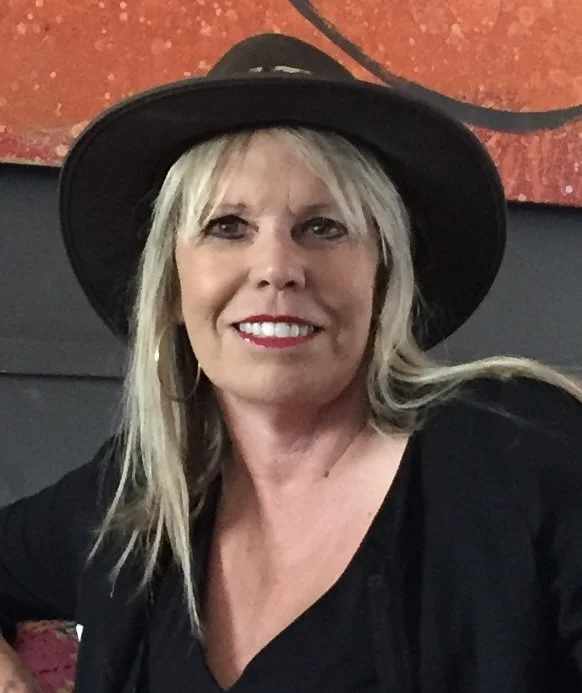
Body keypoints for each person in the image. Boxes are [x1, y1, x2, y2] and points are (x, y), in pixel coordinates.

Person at [1, 32, 581, 693]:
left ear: (383, 276)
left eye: (324, 227)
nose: (277, 267)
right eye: (227, 227)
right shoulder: (132, 495)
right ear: (171, 289)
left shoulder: (524, 453)